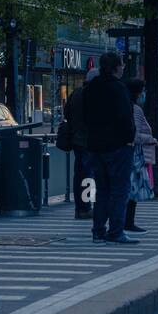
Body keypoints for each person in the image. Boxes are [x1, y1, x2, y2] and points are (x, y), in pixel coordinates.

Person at [83, 51, 137, 244]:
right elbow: (125, 118)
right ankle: (116, 230)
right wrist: (129, 139)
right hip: (118, 146)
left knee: (103, 189)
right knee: (119, 189)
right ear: (115, 67)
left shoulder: (91, 88)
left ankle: (98, 230)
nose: (123, 67)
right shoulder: (118, 88)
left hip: (96, 146)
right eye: (121, 64)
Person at [124, 78, 157, 233]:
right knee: (132, 190)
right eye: (143, 90)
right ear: (138, 92)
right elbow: (135, 135)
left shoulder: (128, 106)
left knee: (129, 189)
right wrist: (151, 139)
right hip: (135, 155)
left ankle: (126, 222)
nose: (144, 94)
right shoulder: (135, 109)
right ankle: (127, 222)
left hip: (130, 154)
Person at [65, 68, 98, 219]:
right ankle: (86, 207)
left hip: (76, 139)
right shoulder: (92, 94)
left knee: (79, 174)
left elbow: (67, 114)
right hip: (88, 140)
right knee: (88, 175)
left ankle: (80, 207)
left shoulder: (75, 93)